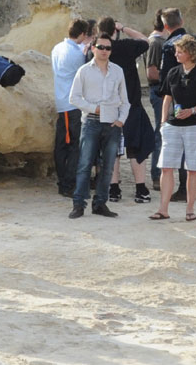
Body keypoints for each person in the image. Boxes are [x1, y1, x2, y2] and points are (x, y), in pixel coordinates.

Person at [66, 33, 129, 219]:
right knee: (85, 164)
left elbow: (125, 99)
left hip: (112, 123)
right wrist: (95, 109)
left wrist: (121, 120)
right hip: (92, 121)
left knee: (108, 166)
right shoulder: (84, 71)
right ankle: (79, 204)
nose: (104, 51)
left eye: (108, 48)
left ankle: (100, 203)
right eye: (100, 47)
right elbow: (73, 98)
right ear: (93, 48)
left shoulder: (117, 71)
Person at [149, 37, 196, 223]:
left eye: (179, 52)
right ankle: (163, 209)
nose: (176, 55)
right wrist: (163, 122)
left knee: (193, 169)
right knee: (166, 167)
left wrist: (192, 111)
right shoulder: (173, 72)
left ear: (190, 53)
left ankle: (190, 209)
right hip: (173, 127)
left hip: (195, 126)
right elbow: (167, 97)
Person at [97, 17, 153, 204]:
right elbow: (146, 40)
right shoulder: (126, 46)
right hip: (132, 105)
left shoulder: (96, 51)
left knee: (112, 148)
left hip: (109, 107)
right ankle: (140, 189)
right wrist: (126, 27)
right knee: (136, 147)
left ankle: (114, 189)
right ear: (115, 30)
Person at [158, 8, 196, 200]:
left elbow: (165, 80)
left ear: (165, 26)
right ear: (182, 20)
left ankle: (184, 189)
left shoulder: (169, 45)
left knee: (178, 150)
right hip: (193, 102)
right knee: (194, 152)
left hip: (178, 100)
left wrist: (163, 120)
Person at [50, 19, 90, 198]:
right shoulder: (76, 54)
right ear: (82, 34)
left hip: (62, 101)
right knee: (72, 145)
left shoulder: (58, 47)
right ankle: (67, 184)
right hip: (71, 104)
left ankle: (64, 182)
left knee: (64, 144)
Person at [146, 10, 167, 187]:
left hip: (164, 93)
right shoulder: (155, 42)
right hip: (160, 93)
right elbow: (152, 73)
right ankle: (156, 175)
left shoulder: (160, 41)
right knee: (160, 132)